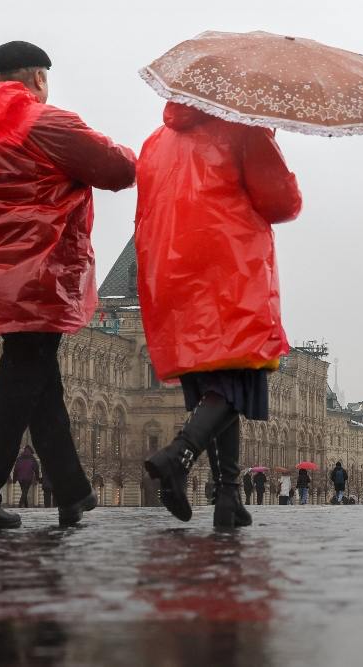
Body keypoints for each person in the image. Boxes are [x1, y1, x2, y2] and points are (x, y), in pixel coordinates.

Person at [0, 41, 136, 530]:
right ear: (37, 77)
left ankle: (72, 491)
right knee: (18, 381)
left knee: (40, 381)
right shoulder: (45, 122)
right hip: (43, 272)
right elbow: (117, 169)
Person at [136, 88, 302, 530]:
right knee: (235, 384)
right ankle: (178, 454)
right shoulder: (243, 129)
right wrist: (268, 140)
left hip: (173, 274)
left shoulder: (158, 140)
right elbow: (281, 202)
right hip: (231, 275)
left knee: (216, 389)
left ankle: (228, 496)